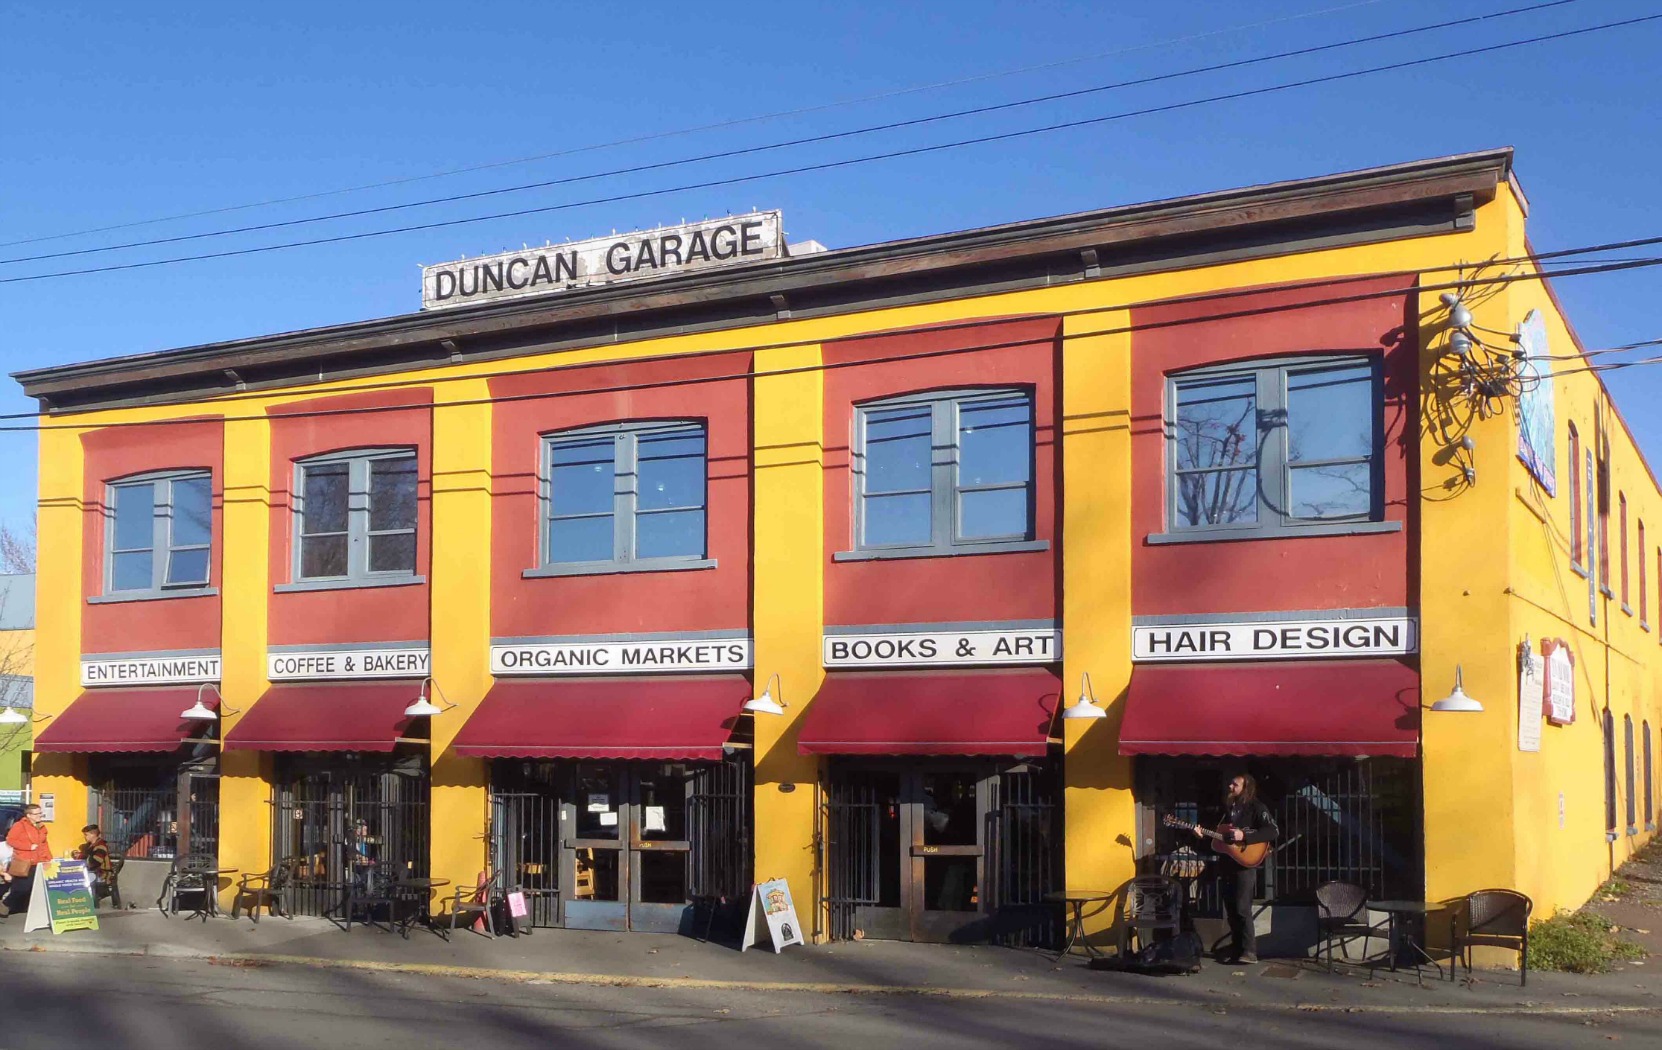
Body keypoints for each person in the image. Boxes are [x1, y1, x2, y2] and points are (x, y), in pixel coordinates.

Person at [1194, 773, 1278, 964]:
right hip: (1227, 864)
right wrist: (1200, 834)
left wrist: (1244, 836)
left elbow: (1273, 830)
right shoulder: (1226, 809)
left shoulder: (1256, 807)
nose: (1230, 787)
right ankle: (1237, 948)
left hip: (1245, 865)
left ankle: (1250, 951)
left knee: (1242, 908)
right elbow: (1217, 837)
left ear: (1246, 788)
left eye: (1235, 785)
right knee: (1230, 908)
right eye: (1230, 784)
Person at [0, 804, 52, 917]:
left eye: (40, 813)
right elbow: (10, 840)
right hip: (24, 861)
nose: (40, 816)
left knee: (32, 887)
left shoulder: (41, 826)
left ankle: (19, 907)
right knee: (22, 888)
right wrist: (28, 846)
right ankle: (4, 904)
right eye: (37, 814)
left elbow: (44, 844)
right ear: (29, 815)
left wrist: (48, 858)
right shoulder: (20, 826)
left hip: (38, 861)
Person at [74, 824, 113, 904]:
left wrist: (82, 856)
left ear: (93, 834)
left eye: (86, 835)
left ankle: (86, 900)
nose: (85, 837)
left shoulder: (101, 846)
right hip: (95, 872)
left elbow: (95, 862)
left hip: (102, 874)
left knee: (80, 878)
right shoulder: (91, 846)